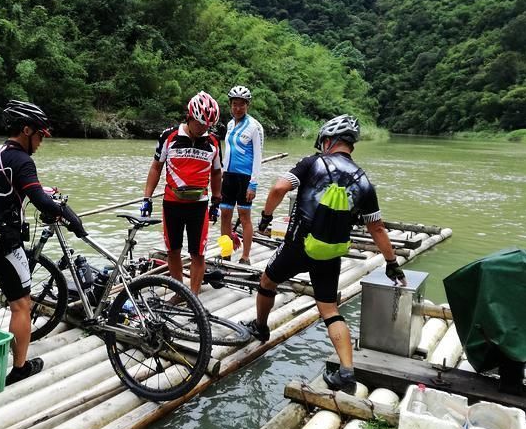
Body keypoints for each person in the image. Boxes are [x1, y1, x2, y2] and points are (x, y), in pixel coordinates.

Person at [245, 114, 406, 394]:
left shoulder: (313, 163)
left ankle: (260, 327)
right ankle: (347, 373)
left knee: (267, 281)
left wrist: (266, 217)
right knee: (330, 310)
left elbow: (279, 187)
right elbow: (377, 228)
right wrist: (392, 263)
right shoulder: (364, 182)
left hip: (297, 245)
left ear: (328, 140)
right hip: (330, 252)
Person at [0, 100, 85, 386]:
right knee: (21, 304)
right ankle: (20, 368)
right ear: (26, 130)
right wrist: (69, 217)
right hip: (3, 243)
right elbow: (39, 200)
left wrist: (38, 191)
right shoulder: (22, 160)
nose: (41, 142)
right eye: (40, 135)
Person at [140, 91, 222, 295]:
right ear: (189, 116)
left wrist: (216, 201)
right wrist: (147, 197)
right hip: (172, 203)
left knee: (198, 253)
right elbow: (156, 167)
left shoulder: (213, 141)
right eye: (200, 124)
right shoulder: (169, 136)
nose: (203, 129)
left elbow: (217, 172)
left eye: (207, 125)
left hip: (199, 205)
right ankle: (180, 293)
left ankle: (193, 297)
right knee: (173, 251)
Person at [219, 85, 264, 265]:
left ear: (247, 105)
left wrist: (253, 183)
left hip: (245, 178)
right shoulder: (230, 124)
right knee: (225, 215)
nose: (238, 108)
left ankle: (245, 257)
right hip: (228, 176)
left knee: (244, 217)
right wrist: (221, 173)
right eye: (234, 104)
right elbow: (228, 151)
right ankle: (225, 253)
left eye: (242, 104)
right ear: (230, 105)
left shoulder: (254, 127)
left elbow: (258, 156)